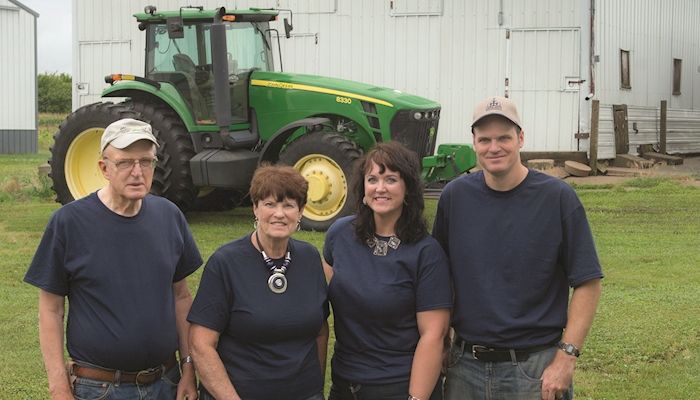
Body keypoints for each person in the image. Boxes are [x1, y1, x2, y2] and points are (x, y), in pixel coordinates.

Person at [433, 96, 604, 400]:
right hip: (465, 366)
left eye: (504, 138)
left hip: (534, 369)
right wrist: (441, 341)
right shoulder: (454, 198)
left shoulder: (558, 199)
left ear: (521, 138)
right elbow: (439, 278)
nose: (493, 147)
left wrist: (566, 357)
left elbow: (588, 282)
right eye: (484, 139)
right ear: (473, 142)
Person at [24, 118, 203, 400]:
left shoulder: (169, 217)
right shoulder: (69, 223)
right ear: (104, 168)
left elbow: (181, 297)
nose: (137, 172)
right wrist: (58, 386)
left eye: (146, 161)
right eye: (125, 162)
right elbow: (50, 310)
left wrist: (189, 368)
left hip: (165, 383)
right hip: (100, 389)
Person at [323, 141, 452, 400]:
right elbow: (319, 304)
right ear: (363, 188)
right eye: (373, 179)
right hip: (345, 385)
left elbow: (433, 335)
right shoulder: (340, 235)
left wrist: (416, 398)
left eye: (391, 179)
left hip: (400, 386)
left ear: (408, 190)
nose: (380, 188)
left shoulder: (426, 252)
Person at [188, 165, 329, 400]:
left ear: (301, 212)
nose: (279, 214)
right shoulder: (226, 263)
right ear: (255, 208)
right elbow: (201, 344)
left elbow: (320, 331)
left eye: (288, 205)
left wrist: (315, 390)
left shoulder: (310, 258)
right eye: (270, 204)